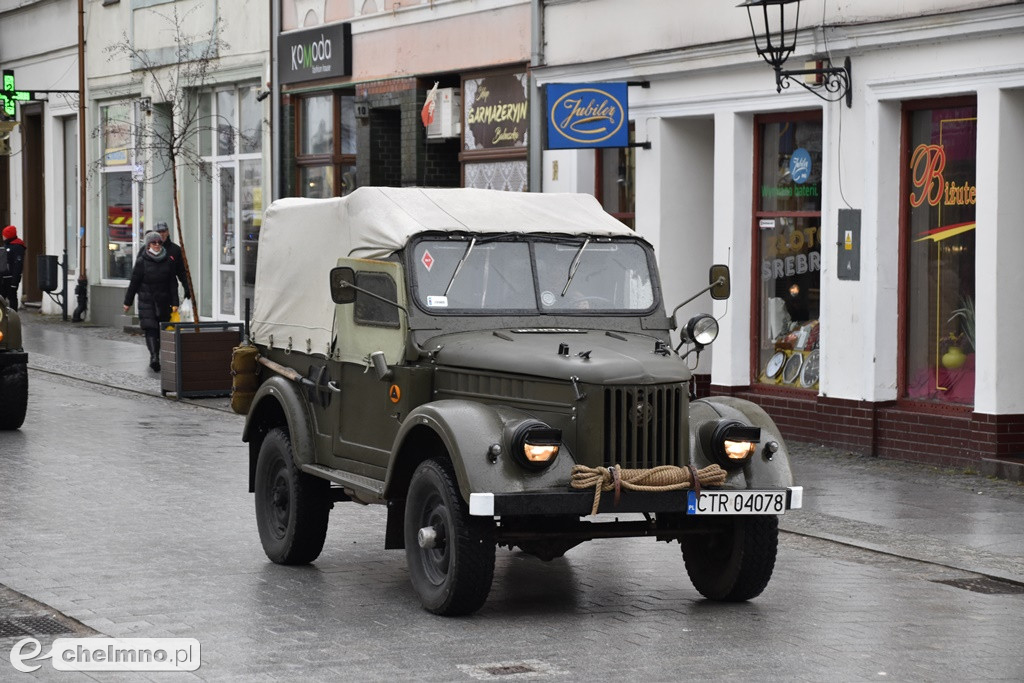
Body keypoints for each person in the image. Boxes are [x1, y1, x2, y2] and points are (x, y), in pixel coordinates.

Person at [124, 230, 179, 372]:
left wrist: (175, 302)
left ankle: (156, 354)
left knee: (161, 330)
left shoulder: (168, 260)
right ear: (148, 245)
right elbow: (134, 283)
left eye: (159, 242)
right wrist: (127, 302)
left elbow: (173, 283)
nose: (157, 245)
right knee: (151, 329)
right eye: (153, 242)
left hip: (163, 301)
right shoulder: (142, 261)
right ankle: (154, 357)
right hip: (147, 301)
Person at [153, 221, 190, 299]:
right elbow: (138, 273)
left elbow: (182, 271)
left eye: (163, 231)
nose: (161, 234)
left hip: (169, 293)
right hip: (152, 293)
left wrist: (187, 288)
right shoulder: (148, 250)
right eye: (159, 232)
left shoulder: (175, 250)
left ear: (168, 232)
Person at [1, 225, 26, 311]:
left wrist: (14, 282)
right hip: (4, 277)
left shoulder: (17, 247)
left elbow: (18, 265)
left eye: (4, 235)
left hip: (11, 278)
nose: (3, 237)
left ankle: (12, 318)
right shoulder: (7, 246)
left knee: (12, 297)